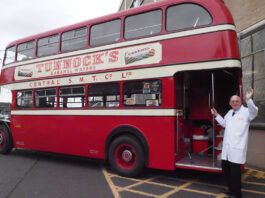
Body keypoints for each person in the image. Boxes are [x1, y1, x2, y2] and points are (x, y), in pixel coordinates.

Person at [211, 88, 258, 198]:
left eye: (237, 101)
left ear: (241, 102)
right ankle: (231, 190)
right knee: (226, 171)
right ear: (230, 103)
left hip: (237, 148)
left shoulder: (246, 112)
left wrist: (249, 99)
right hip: (227, 149)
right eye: (232, 101)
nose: (235, 103)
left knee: (235, 174)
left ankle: (237, 194)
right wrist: (216, 114)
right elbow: (224, 124)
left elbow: (254, 111)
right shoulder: (229, 112)